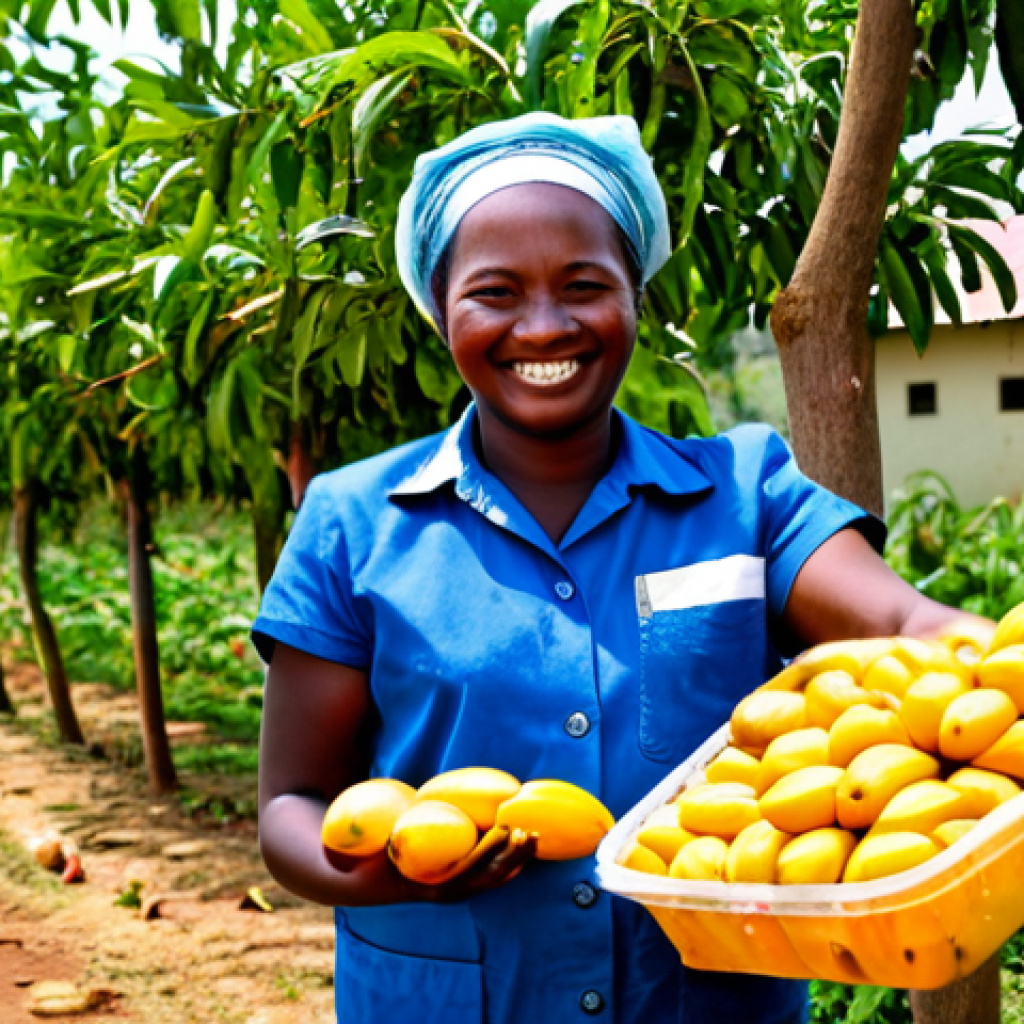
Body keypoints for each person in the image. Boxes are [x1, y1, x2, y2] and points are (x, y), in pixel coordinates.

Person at [253, 112, 991, 1024]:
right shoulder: (354, 520)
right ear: (440, 307)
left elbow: (901, 627)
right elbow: (291, 803)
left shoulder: (744, 493)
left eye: (584, 284)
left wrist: (993, 662)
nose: (544, 324)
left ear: (636, 296)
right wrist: (401, 875)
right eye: (494, 292)